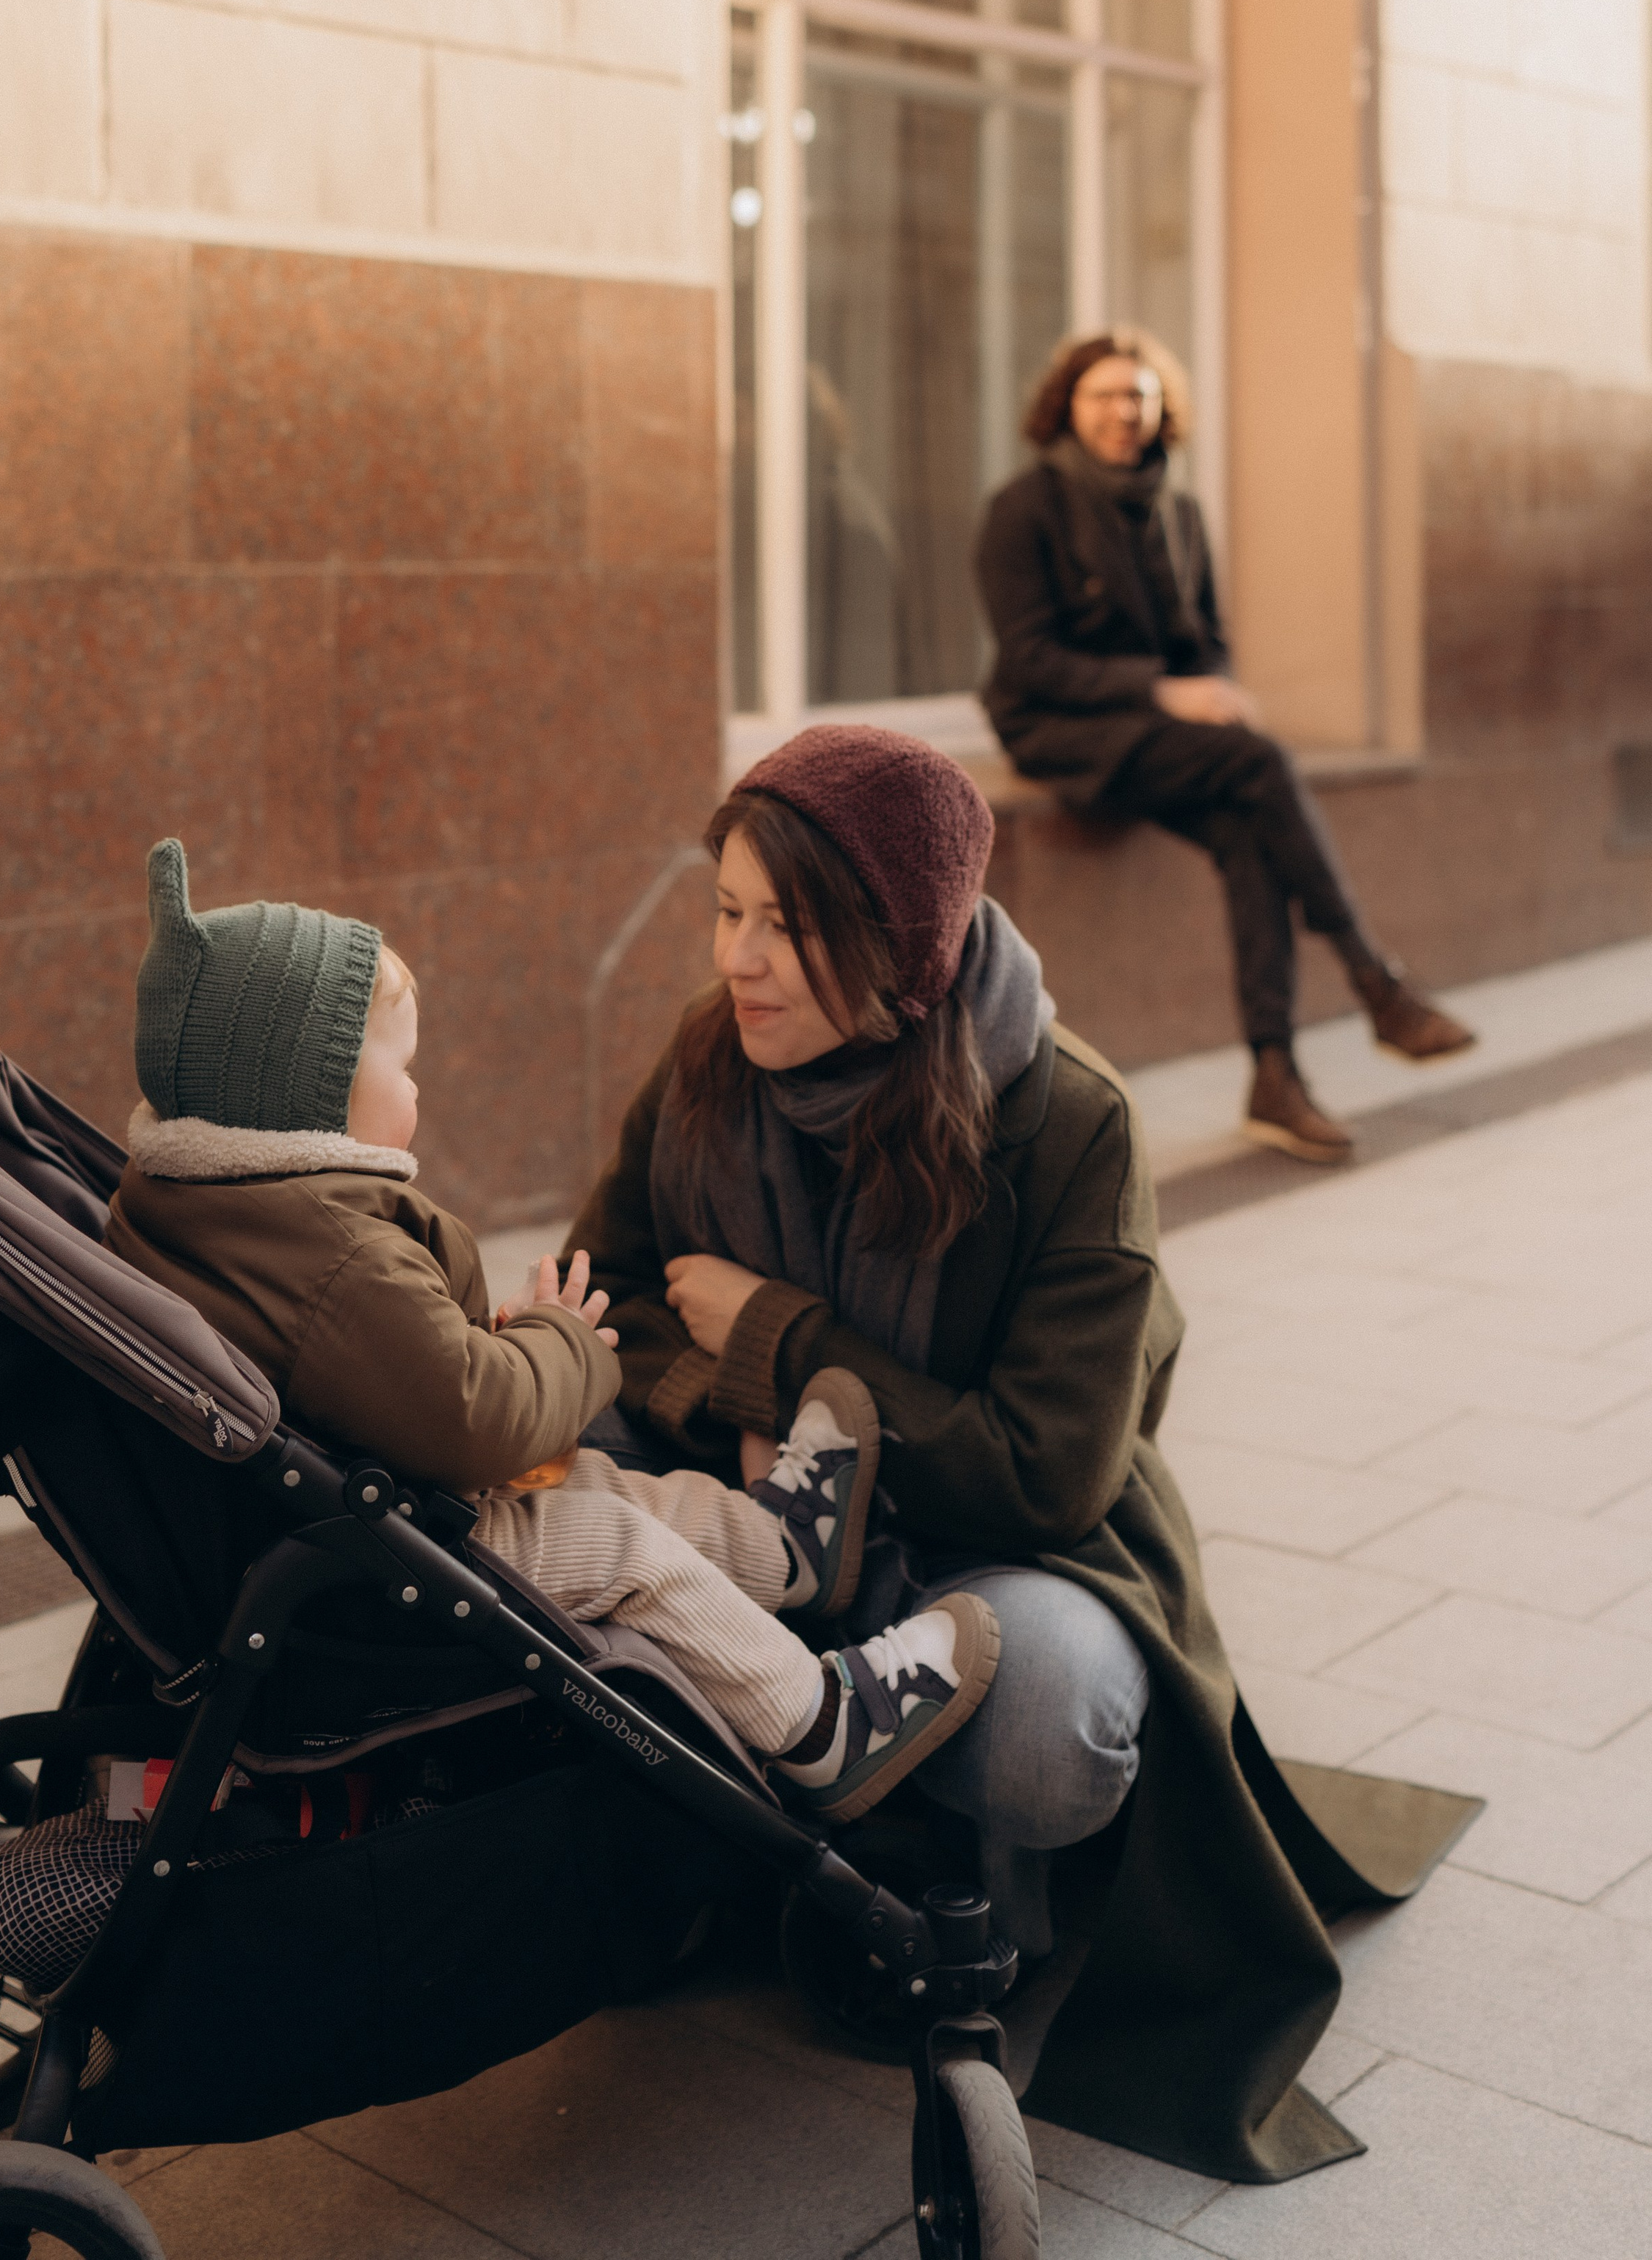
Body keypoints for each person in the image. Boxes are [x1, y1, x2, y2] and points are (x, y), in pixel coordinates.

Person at [566, 725, 1472, 2182]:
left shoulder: (1063, 1120)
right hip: (762, 1519)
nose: (737, 959)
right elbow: (599, 1306)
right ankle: (803, 1823)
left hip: (1004, 1547)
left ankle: (939, 1844)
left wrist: (788, 1346)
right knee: (560, 1511)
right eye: (726, 912)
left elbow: (1044, 1469)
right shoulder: (704, 1070)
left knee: (1058, 1727)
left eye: (786, 928)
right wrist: (734, 1414)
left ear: (899, 939)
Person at [103, 839, 998, 1822]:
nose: (417, 1092)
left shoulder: (200, 1205)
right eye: (402, 1067)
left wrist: (483, 1344)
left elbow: (392, 1376)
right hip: (383, 1566)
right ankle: (822, 1725)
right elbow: (481, 1420)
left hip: (360, 1519)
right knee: (619, 1545)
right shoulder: (333, 1258)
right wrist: (561, 1341)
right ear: (309, 1097)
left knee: (601, 1484)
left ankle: (781, 1546)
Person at [974, 326, 1474, 1162]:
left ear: (1162, 408)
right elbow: (1028, 659)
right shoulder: (1023, 508)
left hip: (1155, 734)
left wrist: (1213, 691)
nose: (1122, 413)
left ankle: (1275, 1074)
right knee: (1263, 763)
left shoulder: (1179, 508)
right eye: (1103, 396)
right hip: (1060, 731)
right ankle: (1372, 981)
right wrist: (1163, 692)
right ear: (1067, 406)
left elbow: (1204, 640)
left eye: (1138, 396)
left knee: (1251, 829)